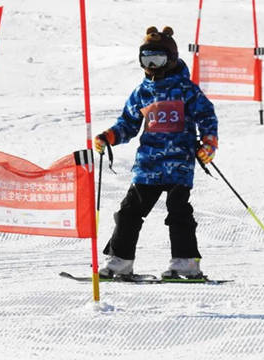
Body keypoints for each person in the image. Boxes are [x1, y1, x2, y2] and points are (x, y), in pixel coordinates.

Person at [94, 26, 218, 279]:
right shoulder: (142, 92)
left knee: (178, 211)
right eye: (146, 59)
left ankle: (185, 262)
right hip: (148, 164)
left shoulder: (186, 90)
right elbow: (127, 124)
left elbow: (207, 116)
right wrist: (109, 137)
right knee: (129, 212)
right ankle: (120, 260)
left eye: (157, 59)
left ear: (171, 59)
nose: (151, 65)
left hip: (178, 164)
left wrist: (209, 144)